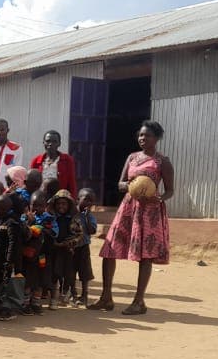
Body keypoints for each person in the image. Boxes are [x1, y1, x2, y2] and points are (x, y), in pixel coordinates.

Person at [91, 121, 174, 316]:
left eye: (147, 136)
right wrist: (127, 186)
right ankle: (106, 298)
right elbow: (121, 182)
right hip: (129, 207)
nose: (143, 139)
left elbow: (170, 190)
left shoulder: (163, 162)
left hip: (150, 211)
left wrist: (159, 197)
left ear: (157, 138)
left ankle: (138, 301)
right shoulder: (132, 157)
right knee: (109, 249)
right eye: (141, 135)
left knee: (145, 255)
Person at [0, 196, 25, 321]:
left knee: (9, 286)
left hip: (9, 262)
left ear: (4, 209)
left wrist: (9, 262)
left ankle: (8, 311)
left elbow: (13, 244)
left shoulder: (12, 223)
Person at [47, 190, 84, 309]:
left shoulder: (73, 219)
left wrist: (68, 243)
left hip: (67, 251)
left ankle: (67, 296)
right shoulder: (51, 218)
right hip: (53, 251)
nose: (61, 206)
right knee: (54, 275)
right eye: (58, 204)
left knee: (68, 275)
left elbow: (79, 235)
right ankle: (53, 299)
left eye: (64, 204)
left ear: (69, 205)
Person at [72, 188, 98, 306]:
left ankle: (84, 295)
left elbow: (92, 230)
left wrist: (87, 218)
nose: (88, 203)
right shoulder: (72, 213)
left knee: (84, 273)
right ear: (78, 200)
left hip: (83, 247)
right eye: (86, 200)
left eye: (91, 201)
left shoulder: (90, 216)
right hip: (72, 247)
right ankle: (72, 293)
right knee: (71, 271)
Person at [30, 131, 78, 195]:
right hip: (41, 199)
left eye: (54, 141)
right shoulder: (36, 161)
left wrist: (72, 201)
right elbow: (30, 183)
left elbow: (72, 183)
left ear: (59, 143)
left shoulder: (67, 160)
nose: (50, 144)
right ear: (43, 142)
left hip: (59, 199)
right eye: (48, 141)